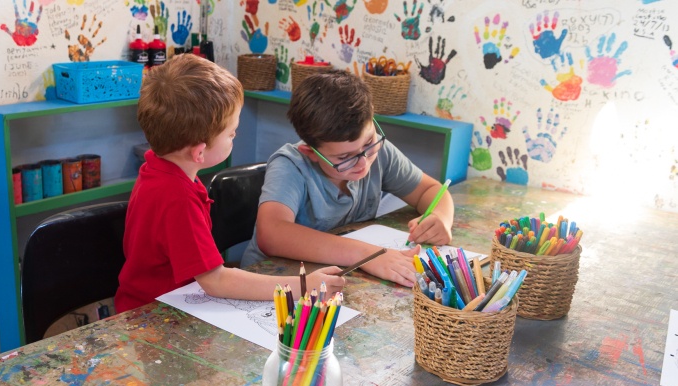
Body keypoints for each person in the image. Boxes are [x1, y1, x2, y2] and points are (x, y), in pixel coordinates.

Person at [116, 54, 345, 313]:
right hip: (153, 314)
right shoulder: (177, 197)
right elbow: (216, 281)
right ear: (199, 153)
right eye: (232, 133)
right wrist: (304, 284)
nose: (234, 137)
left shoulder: (157, 167)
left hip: (168, 301)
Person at [241, 70, 454, 287]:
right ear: (311, 152)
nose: (362, 163)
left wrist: (441, 218)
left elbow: (431, 190)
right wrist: (367, 255)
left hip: (338, 280)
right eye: (344, 157)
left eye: (368, 141)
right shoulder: (290, 166)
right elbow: (272, 234)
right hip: (274, 285)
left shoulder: (378, 151)